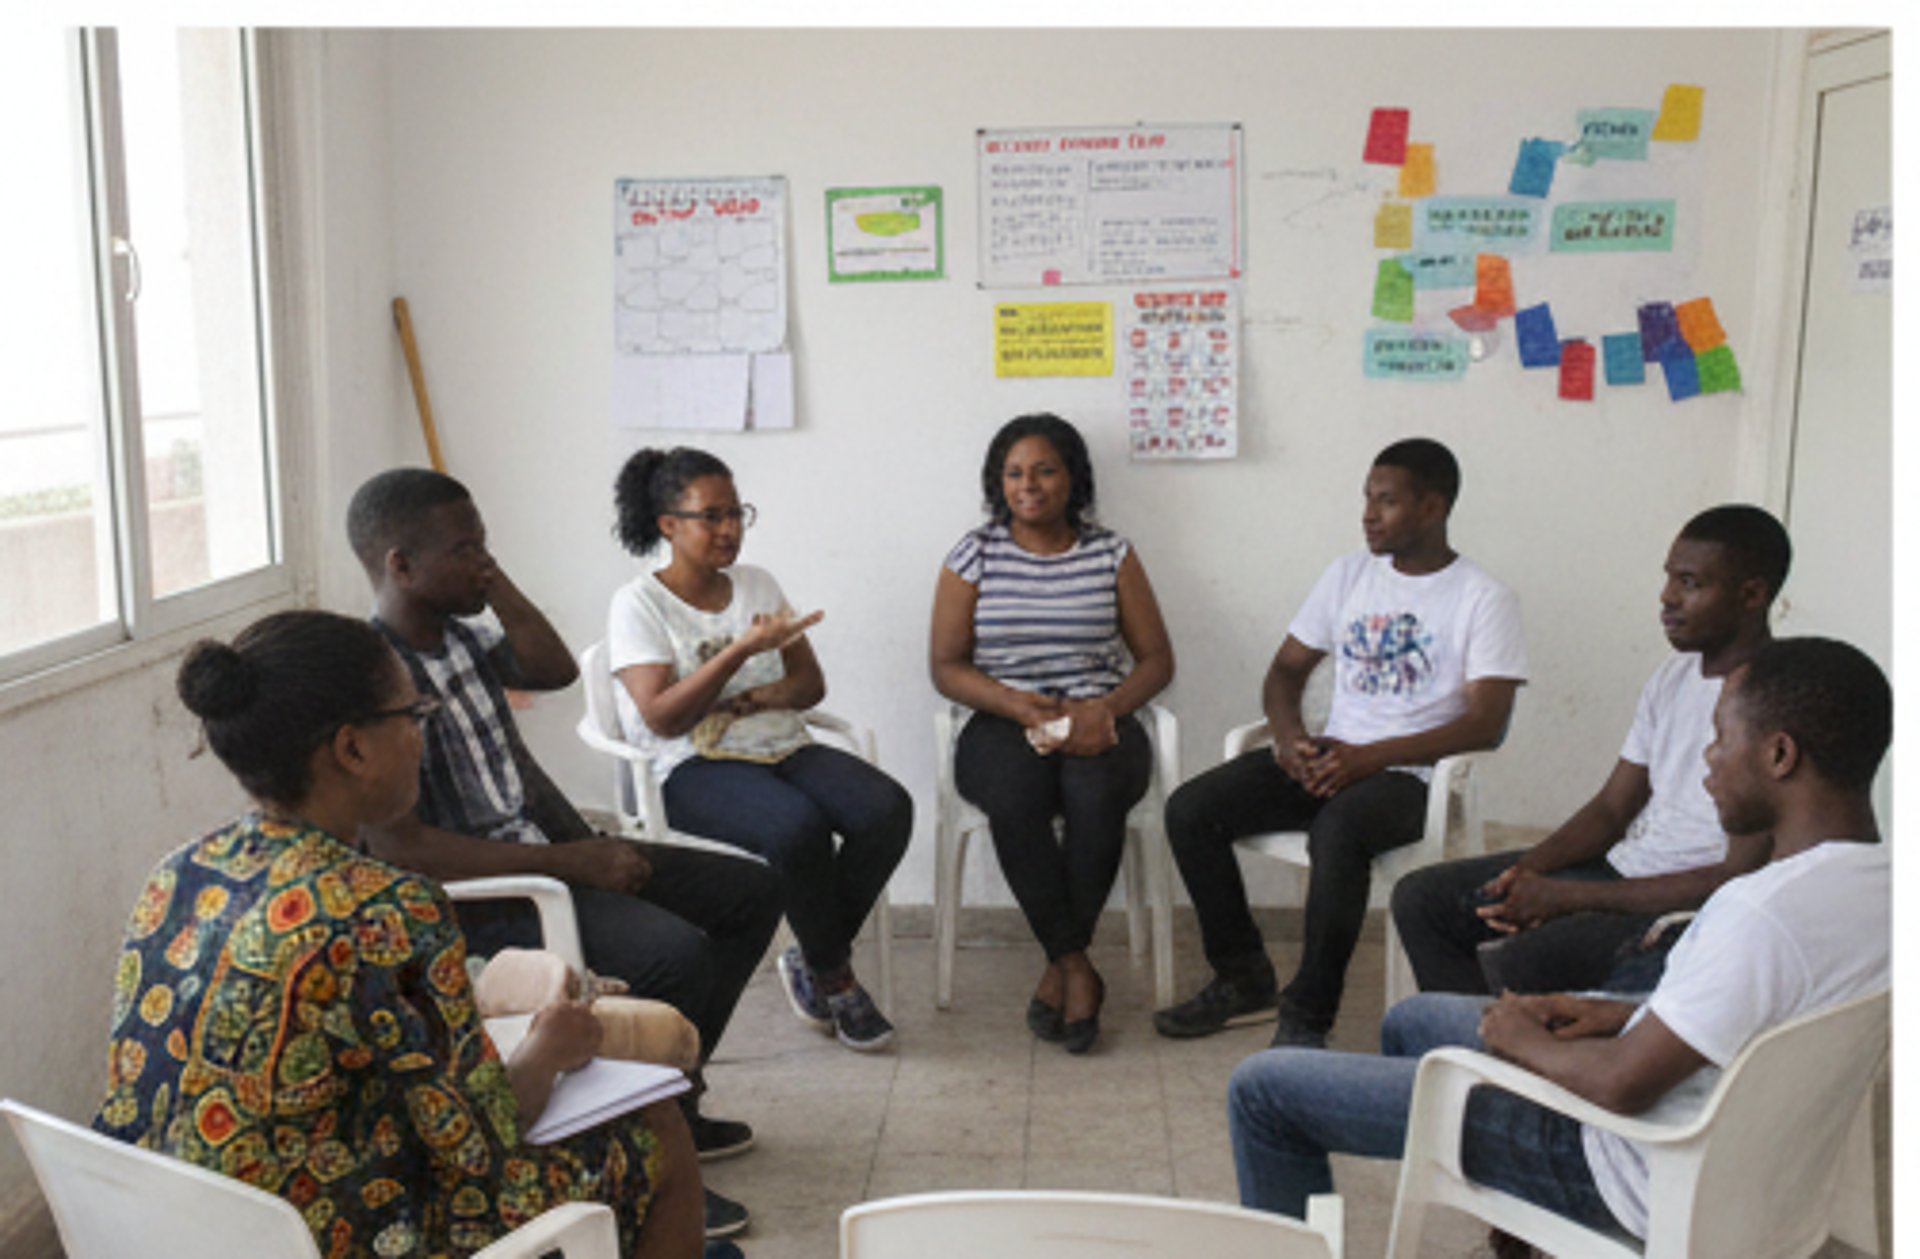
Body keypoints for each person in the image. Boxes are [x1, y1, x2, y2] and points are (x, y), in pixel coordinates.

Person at [1226, 636, 1891, 1243]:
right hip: (1744, 1157)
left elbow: (1623, 1083)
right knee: (1415, 1019)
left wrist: (1523, 1040)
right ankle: (1517, 1231)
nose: (1707, 760)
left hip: (1626, 1168)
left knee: (1263, 1090)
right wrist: (1622, 1012)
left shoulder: (1757, 912)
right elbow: (1765, 1019)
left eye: (1720, 739)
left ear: (1779, 754)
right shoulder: (1881, 887)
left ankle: (1522, 1193)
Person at [93, 610, 704, 1259]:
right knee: (655, 1130)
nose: (421, 734)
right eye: (413, 715)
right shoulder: (388, 909)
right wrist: (547, 1050)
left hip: (165, 1225)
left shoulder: (178, 873)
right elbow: (476, 1143)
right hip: (329, 1237)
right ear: (353, 748)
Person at [347, 468, 779, 1241]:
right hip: (492, 893)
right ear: (400, 566)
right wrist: (574, 865)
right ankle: (650, 1145)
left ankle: (670, 1095)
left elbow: (550, 668)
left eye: (486, 541)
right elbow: (404, 849)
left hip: (543, 853)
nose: (484, 558)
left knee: (748, 892)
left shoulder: (463, 639)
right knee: (673, 957)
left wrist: (487, 576)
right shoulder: (375, 677)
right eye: (465, 547)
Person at [1154, 438, 1526, 1048]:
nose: (1368, 514)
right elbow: (1284, 674)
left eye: (1387, 501)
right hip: (1332, 757)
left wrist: (1370, 758)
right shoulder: (1349, 575)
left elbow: (1485, 724)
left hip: (1411, 778)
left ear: (1432, 508)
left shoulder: (1484, 598)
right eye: (1367, 498)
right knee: (1191, 810)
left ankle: (1307, 1014)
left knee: (1340, 831)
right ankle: (1243, 975)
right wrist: (1290, 740)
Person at [1392, 505, 1790, 998]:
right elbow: (1611, 808)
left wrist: (1569, 897)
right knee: (1424, 900)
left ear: (1752, 594)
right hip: (1626, 867)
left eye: (1689, 583)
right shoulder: (1673, 676)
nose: (1666, 598)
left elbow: (1736, 876)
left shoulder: (1774, 699)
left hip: (1685, 903)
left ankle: (1506, 1052)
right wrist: (1525, 872)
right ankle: (1466, 1050)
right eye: (1668, 578)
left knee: (1527, 957)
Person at [607, 447, 911, 1052]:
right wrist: (739, 654)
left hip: (778, 743)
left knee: (886, 808)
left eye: (737, 513)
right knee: (797, 830)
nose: (729, 530)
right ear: (668, 524)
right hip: (691, 764)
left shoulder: (758, 584)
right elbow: (663, 717)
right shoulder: (638, 604)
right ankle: (836, 978)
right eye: (711, 516)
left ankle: (811, 955)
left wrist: (745, 703)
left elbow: (808, 685)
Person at [928, 413, 1175, 1054]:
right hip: (1001, 718)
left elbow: (1156, 660)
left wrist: (1109, 709)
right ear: (997, 483)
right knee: (1017, 798)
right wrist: (1014, 704)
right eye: (1013, 473)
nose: (1027, 485)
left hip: (1099, 711)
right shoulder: (973, 553)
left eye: (1044, 470)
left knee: (1097, 797)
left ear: (1072, 478)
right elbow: (946, 666)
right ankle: (1075, 966)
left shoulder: (1111, 553)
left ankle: (1059, 966)